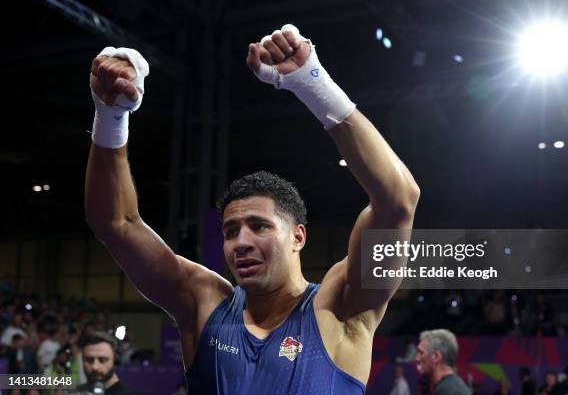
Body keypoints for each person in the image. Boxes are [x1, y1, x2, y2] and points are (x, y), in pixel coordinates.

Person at [85, 24, 420, 394]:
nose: (240, 242)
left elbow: (398, 199)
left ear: (298, 236)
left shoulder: (341, 306)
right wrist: (110, 116)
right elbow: (115, 224)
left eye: (259, 226)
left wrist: (314, 83)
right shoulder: (204, 301)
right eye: (230, 231)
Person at [414, 329, 471, 395]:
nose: (417, 358)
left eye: (421, 352)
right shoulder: (452, 387)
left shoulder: (447, 391)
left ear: (436, 356)